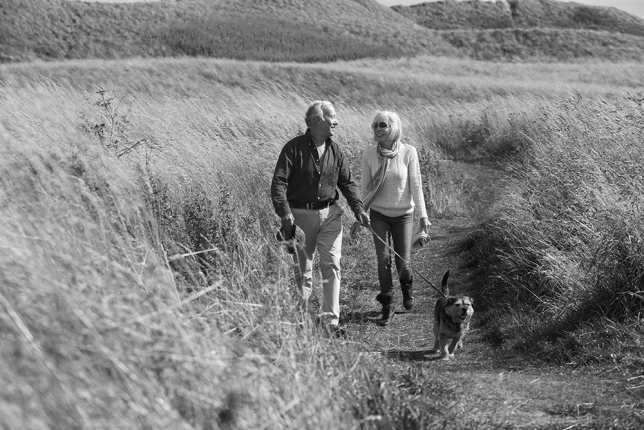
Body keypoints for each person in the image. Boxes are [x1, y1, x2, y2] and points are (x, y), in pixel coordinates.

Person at [271, 100, 370, 338]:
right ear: (317, 120)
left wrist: (359, 209)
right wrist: (285, 213)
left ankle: (331, 323)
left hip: (331, 214)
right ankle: (301, 322)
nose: (336, 121)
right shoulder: (293, 148)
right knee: (302, 271)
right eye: (332, 117)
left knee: (332, 265)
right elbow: (279, 182)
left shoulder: (336, 150)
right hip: (300, 217)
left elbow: (347, 183)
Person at [352, 111, 431, 326]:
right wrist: (361, 212)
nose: (377, 129)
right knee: (383, 259)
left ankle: (407, 286)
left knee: (403, 261)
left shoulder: (408, 152)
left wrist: (423, 215)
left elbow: (416, 185)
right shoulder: (369, 155)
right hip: (378, 214)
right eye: (375, 125)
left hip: (404, 214)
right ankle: (387, 305)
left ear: (393, 127)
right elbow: (365, 187)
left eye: (382, 125)